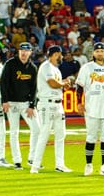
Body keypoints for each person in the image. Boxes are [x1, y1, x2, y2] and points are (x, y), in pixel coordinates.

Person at [75, 42, 104, 176]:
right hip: (92, 107)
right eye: (97, 51)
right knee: (91, 137)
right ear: (93, 53)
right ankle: (88, 165)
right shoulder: (87, 68)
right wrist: (79, 103)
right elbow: (80, 86)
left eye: (102, 51)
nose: (100, 53)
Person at [30, 45, 73, 174]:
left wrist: (63, 85)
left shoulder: (56, 69)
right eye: (60, 54)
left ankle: (60, 164)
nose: (62, 57)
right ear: (55, 54)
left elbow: (57, 85)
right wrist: (63, 83)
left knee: (61, 135)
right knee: (44, 134)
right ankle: (35, 166)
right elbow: (52, 83)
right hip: (47, 104)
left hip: (58, 104)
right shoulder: (46, 66)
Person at [0, 42, 39, 170]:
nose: (23, 53)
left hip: (26, 104)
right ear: (18, 51)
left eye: (26, 51)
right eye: (21, 50)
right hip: (12, 103)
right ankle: (17, 161)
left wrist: (32, 105)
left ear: (30, 52)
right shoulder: (10, 64)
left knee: (37, 129)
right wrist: (4, 101)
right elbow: (3, 82)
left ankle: (32, 158)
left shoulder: (32, 68)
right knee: (14, 131)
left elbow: (34, 88)